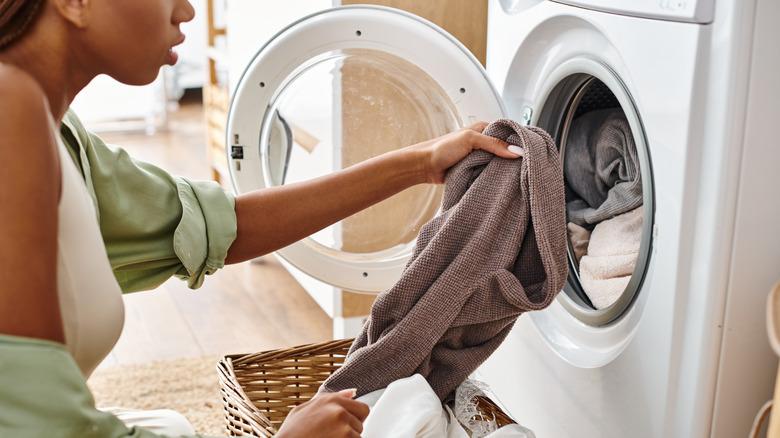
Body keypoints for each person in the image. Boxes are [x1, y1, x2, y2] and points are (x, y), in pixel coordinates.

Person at [0, 0, 520, 436]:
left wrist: (423, 161)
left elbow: (223, 226)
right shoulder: (10, 110)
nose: (185, 11)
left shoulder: (58, 134)